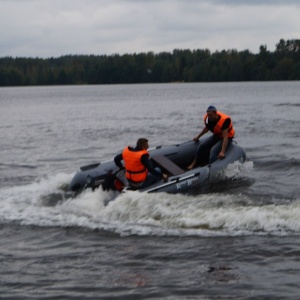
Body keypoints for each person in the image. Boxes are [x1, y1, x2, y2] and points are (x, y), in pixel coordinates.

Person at [187, 105, 235, 169]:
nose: (209, 117)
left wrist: (222, 152)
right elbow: (206, 128)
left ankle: (211, 168)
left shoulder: (224, 121)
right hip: (217, 136)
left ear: (215, 113)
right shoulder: (208, 119)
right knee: (202, 146)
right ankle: (193, 164)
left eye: (211, 115)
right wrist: (198, 137)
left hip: (227, 137)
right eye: (208, 115)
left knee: (213, 151)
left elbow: (225, 137)